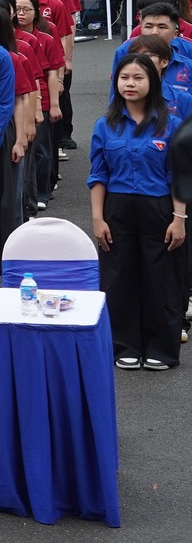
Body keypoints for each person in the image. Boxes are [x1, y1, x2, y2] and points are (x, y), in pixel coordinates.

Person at [97, 57, 180, 370]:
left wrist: (180, 218)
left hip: (159, 207)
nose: (130, 84)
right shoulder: (106, 124)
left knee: (162, 279)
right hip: (116, 207)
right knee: (119, 277)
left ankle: (162, 348)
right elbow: (98, 174)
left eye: (138, 78)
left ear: (153, 82)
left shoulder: (169, 124)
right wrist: (97, 218)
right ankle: (124, 345)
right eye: (124, 78)